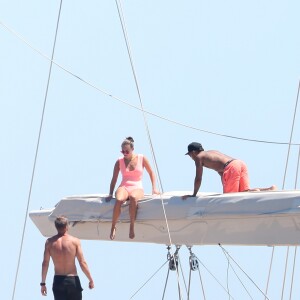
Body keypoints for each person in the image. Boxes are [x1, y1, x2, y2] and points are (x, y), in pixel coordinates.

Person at [106, 136, 159, 240]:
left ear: (132, 149)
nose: (125, 153)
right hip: (124, 186)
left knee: (134, 198)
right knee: (119, 199)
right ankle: (113, 226)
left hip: (137, 186)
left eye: (127, 151)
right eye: (123, 151)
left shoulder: (141, 158)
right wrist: (110, 193)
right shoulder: (119, 161)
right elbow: (114, 179)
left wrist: (154, 188)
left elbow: (151, 172)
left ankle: (132, 227)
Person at [182, 142, 276, 199]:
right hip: (239, 163)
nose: (190, 157)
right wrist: (225, 183)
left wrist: (194, 194)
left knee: (230, 197)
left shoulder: (198, 158)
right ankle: (269, 189)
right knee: (244, 192)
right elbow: (220, 170)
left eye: (190, 155)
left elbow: (198, 177)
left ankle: (255, 191)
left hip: (231, 167)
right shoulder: (211, 153)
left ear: (193, 152)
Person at [41, 216, 94, 299]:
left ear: (56, 227)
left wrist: (43, 283)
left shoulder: (49, 242)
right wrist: (90, 279)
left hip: (58, 281)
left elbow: (45, 263)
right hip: (72, 280)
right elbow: (82, 262)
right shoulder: (75, 241)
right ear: (67, 227)